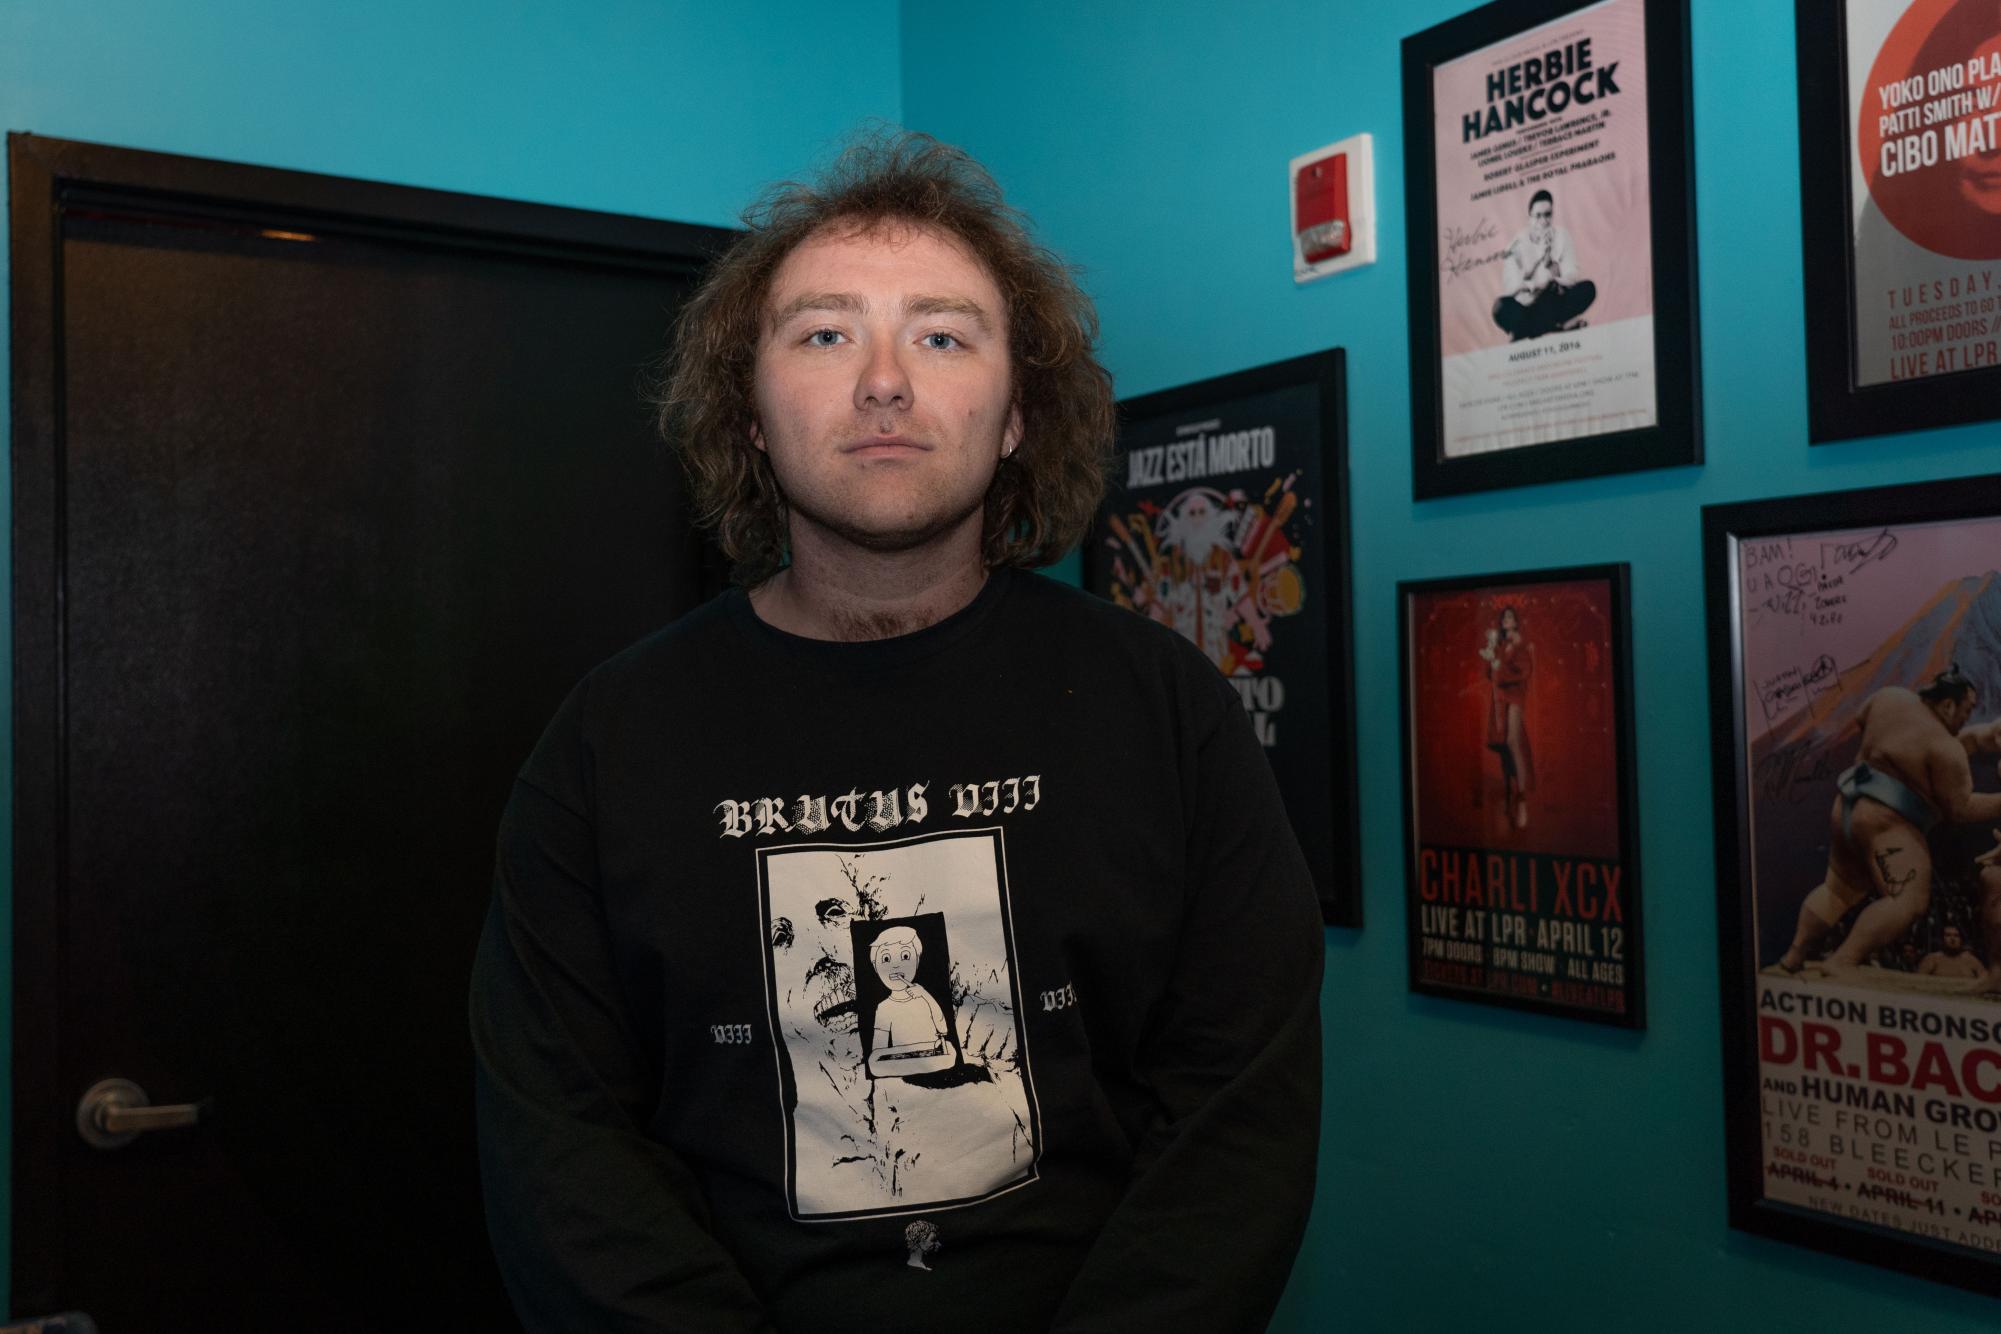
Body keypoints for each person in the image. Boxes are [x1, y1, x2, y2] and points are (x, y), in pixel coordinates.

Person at [468, 131, 1324, 1333]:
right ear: (751, 414)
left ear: (1018, 411)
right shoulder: (609, 741)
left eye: (942, 334)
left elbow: (1242, 1118)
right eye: (824, 333)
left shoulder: (1164, 706)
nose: (883, 380)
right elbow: (561, 1151)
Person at [1776, 667, 2001, 975]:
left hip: (1847, 807)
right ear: (1949, 705)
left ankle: (1794, 955)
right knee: (1908, 900)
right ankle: (1842, 960)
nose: (1966, 718)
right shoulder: (1946, 749)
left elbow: (1901, 737)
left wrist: (1980, 737)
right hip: (1889, 822)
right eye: (1966, 710)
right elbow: (1960, 810)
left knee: (1838, 890)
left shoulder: (1888, 698)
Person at [1491, 189, 1597, 341]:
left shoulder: (1561, 235)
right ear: (1530, 218)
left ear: (1552, 215)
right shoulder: (1516, 245)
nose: (1543, 221)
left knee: (1588, 288)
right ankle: (1556, 328)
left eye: (1547, 215)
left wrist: (1549, 264)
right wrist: (1538, 264)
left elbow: (1572, 275)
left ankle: (1529, 331)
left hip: (1554, 302)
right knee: (1500, 307)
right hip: (1528, 307)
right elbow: (1511, 288)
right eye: (1538, 216)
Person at [1480, 605, 1535, 830]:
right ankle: (1509, 794)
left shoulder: (1521, 645)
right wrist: (1491, 659)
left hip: (1514, 697)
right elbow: (1490, 673)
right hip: (1500, 699)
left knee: (1513, 741)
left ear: (1516, 621)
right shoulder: (1500, 645)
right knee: (1504, 748)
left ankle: (1521, 799)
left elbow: (1523, 671)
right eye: (1504, 617)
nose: (1506, 620)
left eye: (1510, 617)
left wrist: (1500, 671)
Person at [1919, 923, 1985, 979]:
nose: (1952, 939)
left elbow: (1985, 981)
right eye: (1948, 935)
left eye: (1956, 936)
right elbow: (1918, 983)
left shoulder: (1972, 961)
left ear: (1961, 940)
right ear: (1942, 939)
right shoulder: (1932, 959)